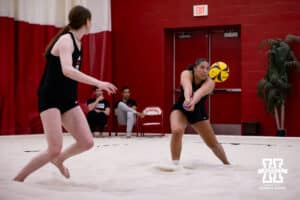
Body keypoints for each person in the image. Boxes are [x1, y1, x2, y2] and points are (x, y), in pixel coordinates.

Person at [14, 5, 117, 182]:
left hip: (68, 99)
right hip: (50, 98)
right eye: (91, 21)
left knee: (87, 142)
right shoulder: (66, 40)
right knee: (54, 147)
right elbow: (67, 70)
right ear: (87, 21)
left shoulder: (78, 41)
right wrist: (99, 82)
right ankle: (18, 179)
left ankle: (59, 160)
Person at [170, 58, 230, 166]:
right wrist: (188, 99)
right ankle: (175, 164)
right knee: (177, 131)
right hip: (181, 108)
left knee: (212, 143)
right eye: (202, 67)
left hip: (198, 112)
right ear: (194, 68)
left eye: (207, 68)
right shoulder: (186, 73)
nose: (205, 71)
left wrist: (192, 102)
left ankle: (227, 163)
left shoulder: (210, 82)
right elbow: (187, 87)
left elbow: (199, 93)